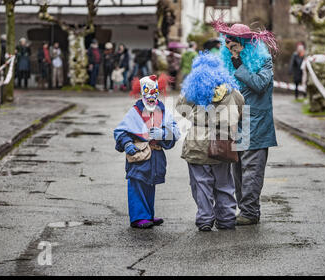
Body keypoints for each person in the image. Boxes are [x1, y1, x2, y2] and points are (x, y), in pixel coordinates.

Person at [214, 19, 278, 226]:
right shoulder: (227, 62)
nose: (230, 46)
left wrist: (239, 64)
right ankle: (245, 210)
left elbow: (259, 84)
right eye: (228, 42)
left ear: (246, 44)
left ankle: (250, 212)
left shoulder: (264, 61)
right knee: (237, 172)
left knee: (252, 172)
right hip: (234, 125)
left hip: (256, 125)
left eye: (234, 42)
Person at [177, 52, 244, 231]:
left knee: (200, 183)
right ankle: (226, 218)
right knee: (224, 182)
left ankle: (205, 218)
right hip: (222, 141)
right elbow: (241, 106)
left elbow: (181, 109)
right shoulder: (231, 90)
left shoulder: (192, 89)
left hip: (197, 143)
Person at [113, 74, 180, 229]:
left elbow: (175, 131)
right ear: (142, 93)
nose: (151, 98)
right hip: (138, 155)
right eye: (148, 94)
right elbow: (120, 131)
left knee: (149, 186)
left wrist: (163, 134)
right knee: (137, 185)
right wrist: (127, 143)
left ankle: (148, 214)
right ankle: (139, 217)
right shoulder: (134, 112)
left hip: (155, 157)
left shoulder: (164, 111)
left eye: (154, 94)